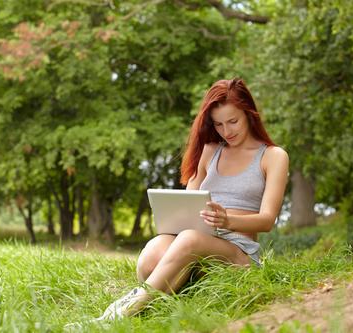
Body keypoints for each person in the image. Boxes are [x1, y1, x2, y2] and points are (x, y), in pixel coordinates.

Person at [96, 78, 288, 322]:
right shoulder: (210, 151)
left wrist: (227, 221)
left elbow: (267, 220)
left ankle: (125, 310)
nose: (227, 131)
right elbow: (190, 203)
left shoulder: (273, 156)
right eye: (218, 124)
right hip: (197, 245)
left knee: (189, 239)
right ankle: (170, 299)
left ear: (249, 114)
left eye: (233, 121)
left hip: (239, 254)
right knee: (153, 251)